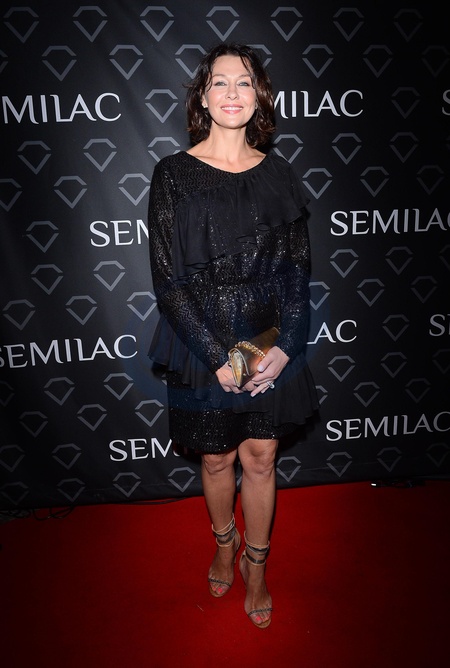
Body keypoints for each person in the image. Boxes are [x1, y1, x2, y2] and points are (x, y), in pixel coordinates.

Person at [147, 43, 318, 629]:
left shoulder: (279, 174)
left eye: (244, 82)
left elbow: (297, 273)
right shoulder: (173, 174)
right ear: (202, 97)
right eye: (219, 82)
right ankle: (225, 543)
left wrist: (286, 347)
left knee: (262, 456)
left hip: (267, 335)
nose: (232, 92)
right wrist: (217, 357)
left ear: (259, 97)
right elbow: (168, 282)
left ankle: (257, 564)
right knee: (217, 458)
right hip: (202, 338)